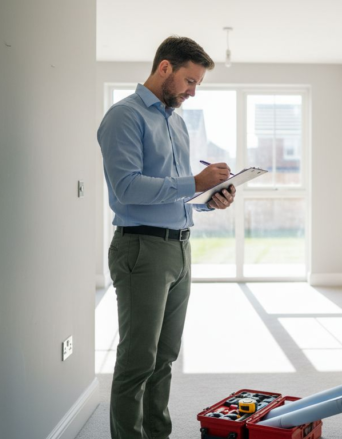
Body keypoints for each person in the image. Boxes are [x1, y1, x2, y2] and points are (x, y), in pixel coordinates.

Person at [97, 36, 236, 439]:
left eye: (197, 85)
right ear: (164, 69)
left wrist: (209, 200)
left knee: (164, 358)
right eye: (190, 81)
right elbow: (128, 187)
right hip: (142, 249)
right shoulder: (124, 117)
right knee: (138, 361)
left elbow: (176, 192)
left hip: (179, 247)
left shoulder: (175, 122)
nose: (193, 92)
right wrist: (194, 181)